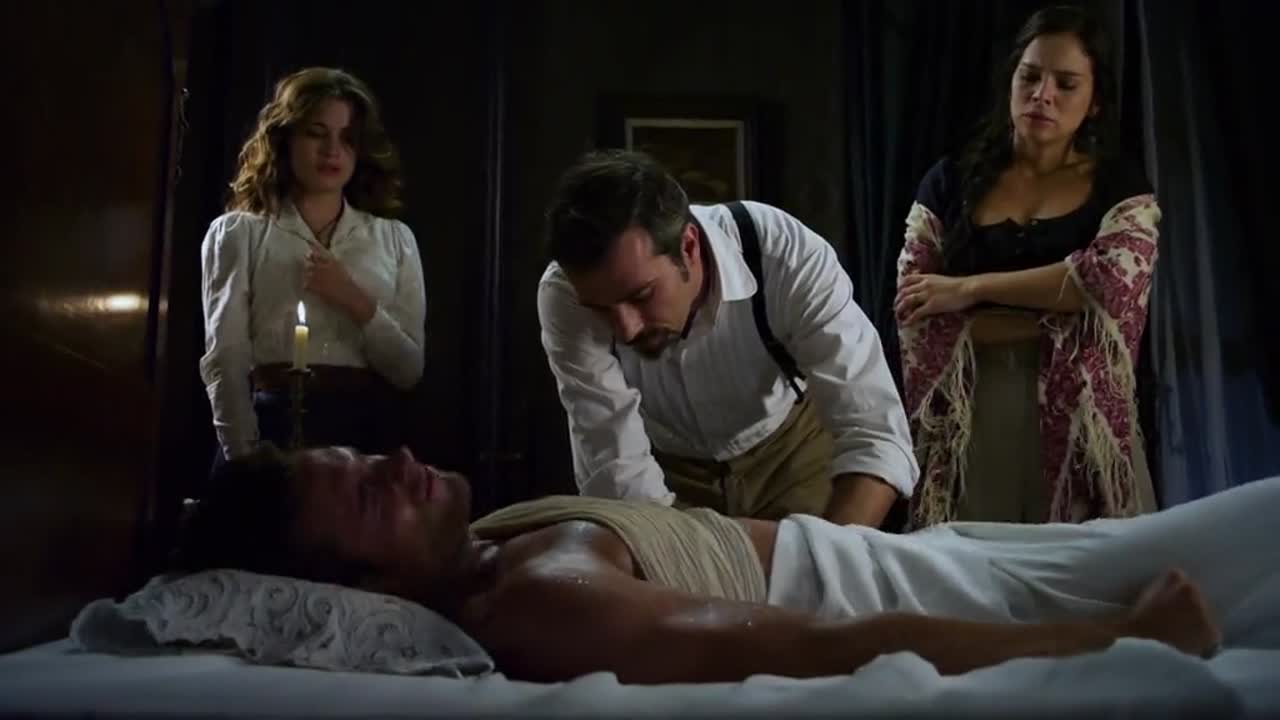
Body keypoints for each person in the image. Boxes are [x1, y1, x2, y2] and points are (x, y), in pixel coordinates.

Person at [174, 444, 1280, 685]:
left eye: (365, 454)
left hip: (926, 553)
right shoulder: (537, 601)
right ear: (363, 590)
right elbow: (822, 646)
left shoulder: (499, 534)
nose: (398, 462)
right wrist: (1118, 644)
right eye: (370, 495)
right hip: (943, 594)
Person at [537, 150, 917, 527]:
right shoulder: (565, 295)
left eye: (641, 296)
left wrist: (831, 556)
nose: (626, 330)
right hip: (666, 467)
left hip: (791, 452)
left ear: (688, 247)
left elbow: (875, 433)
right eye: (601, 310)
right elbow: (616, 467)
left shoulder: (782, 255)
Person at [894, 6, 1160, 527]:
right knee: (975, 561)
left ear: (1095, 101)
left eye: (1066, 84)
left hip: (1083, 423)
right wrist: (1062, 308)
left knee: (1087, 564)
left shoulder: (1118, 184)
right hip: (972, 416)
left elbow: (1109, 288)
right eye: (1030, 77)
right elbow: (915, 305)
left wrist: (968, 289)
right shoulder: (949, 181)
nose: (1043, 95)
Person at [199, 67, 426, 469]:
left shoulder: (394, 239)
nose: (331, 151)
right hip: (269, 429)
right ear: (286, 137)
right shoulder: (239, 233)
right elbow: (225, 360)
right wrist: (245, 459)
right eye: (316, 133)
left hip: (361, 439)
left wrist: (354, 300)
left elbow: (408, 369)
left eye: (346, 138)